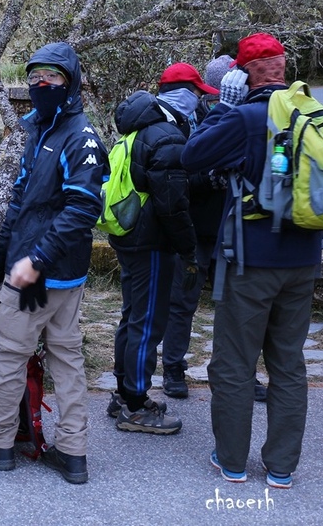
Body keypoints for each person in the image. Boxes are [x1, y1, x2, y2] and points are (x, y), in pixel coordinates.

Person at [182, 32, 322, 489]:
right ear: (282, 66)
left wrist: (223, 106)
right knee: (288, 363)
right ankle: (282, 467)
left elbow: (192, 155)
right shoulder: (313, 115)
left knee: (234, 364)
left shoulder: (244, 117)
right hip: (303, 262)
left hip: (251, 264)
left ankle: (233, 461)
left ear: (242, 74)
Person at [0, 42, 108, 484]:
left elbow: (83, 209)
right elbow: (20, 199)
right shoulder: (41, 130)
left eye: (51, 77)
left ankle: (5, 445)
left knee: (18, 357)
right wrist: (1, 256)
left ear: (70, 83)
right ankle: (59, 452)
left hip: (50, 274)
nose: (41, 85)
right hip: (28, 265)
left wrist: (35, 259)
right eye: (34, 78)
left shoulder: (80, 137)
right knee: (57, 358)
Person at [105, 63, 199, 434]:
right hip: (154, 243)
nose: (197, 103)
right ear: (183, 96)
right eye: (196, 95)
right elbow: (172, 204)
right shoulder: (167, 135)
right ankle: (135, 405)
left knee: (132, 316)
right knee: (148, 324)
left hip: (129, 237)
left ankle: (122, 392)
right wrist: (188, 249)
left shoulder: (138, 130)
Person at [160, 59, 224, 398]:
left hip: (230, 231)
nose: (213, 100)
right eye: (209, 94)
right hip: (197, 229)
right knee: (183, 302)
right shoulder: (184, 124)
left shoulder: (242, 123)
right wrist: (212, 180)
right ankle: (173, 369)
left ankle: (232, 371)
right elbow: (179, 178)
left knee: (233, 308)